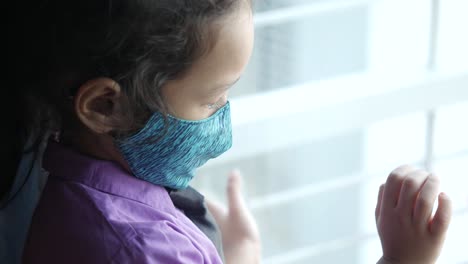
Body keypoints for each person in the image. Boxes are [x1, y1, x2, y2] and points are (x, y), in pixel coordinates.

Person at [0, 0, 452, 263]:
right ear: (104, 106)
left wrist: (231, 253)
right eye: (213, 98)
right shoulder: (144, 249)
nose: (224, 120)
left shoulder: (64, 185)